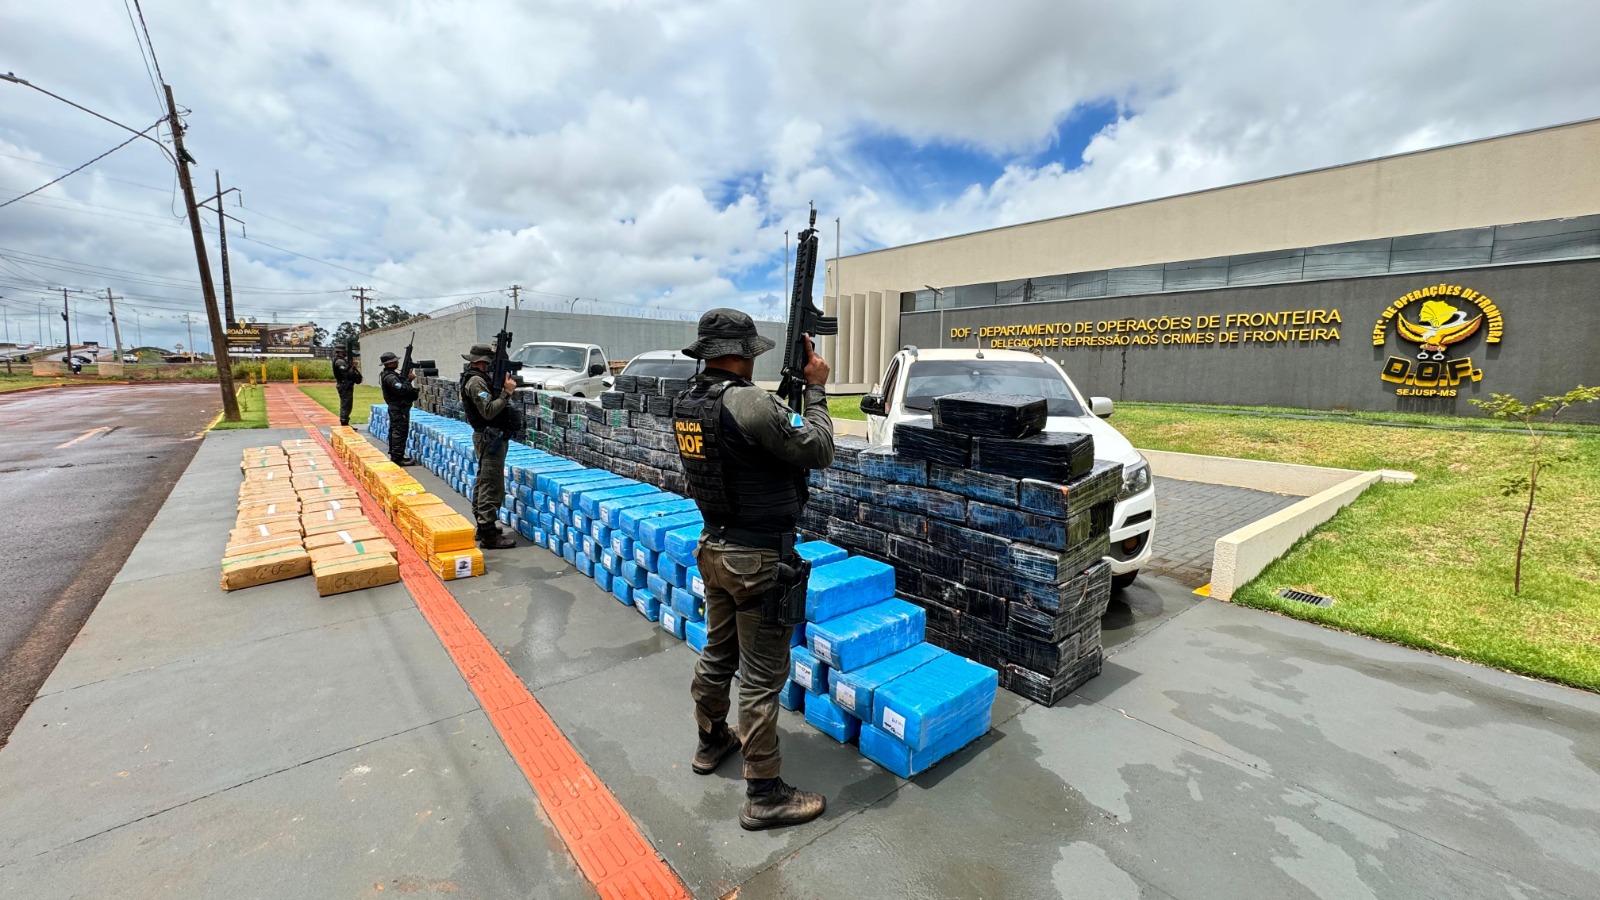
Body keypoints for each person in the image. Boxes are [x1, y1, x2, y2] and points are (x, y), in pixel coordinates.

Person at [673, 307, 834, 831]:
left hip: (714, 548)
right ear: (742, 354)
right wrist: (815, 392)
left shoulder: (688, 401)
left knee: (718, 654)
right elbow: (819, 448)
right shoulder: (751, 402)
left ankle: (711, 739)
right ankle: (764, 792)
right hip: (758, 559)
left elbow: (743, 455)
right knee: (763, 678)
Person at [460, 343, 519, 549]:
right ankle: (488, 534)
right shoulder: (476, 381)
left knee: (484, 479)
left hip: (488, 436)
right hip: (489, 437)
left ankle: (483, 526)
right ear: (484, 362)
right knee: (491, 484)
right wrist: (506, 393)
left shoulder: (476, 378)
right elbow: (488, 411)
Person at [378, 351, 417, 466]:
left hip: (397, 407)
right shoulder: (390, 378)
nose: (397, 362)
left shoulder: (392, 375)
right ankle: (397, 457)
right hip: (398, 408)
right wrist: (409, 380)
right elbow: (402, 390)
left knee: (396, 430)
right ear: (389, 364)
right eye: (395, 361)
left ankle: (396, 454)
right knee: (399, 431)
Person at [332, 346, 362, 426]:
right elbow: (348, 375)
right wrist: (353, 367)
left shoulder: (341, 361)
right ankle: (344, 423)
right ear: (340, 352)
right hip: (344, 385)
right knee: (346, 405)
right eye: (344, 352)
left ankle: (345, 422)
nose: (345, 353)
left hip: (345, 385)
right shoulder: (340, 362)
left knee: (347, 405)